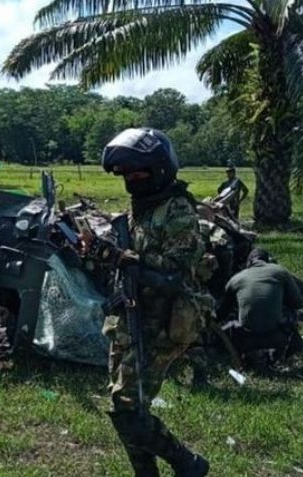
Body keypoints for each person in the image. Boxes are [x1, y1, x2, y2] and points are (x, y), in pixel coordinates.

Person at [100, 128, 212, 477]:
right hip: (129, 313)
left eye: (138, 173)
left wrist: (134, 261)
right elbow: (130, 256)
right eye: (127, 175)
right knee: (124, 402)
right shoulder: (140, 210)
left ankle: (187, 463)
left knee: (128, 404)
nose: (132, 180)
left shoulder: (176, 209)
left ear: (160, 169)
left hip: (163, 320)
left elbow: (178, 270)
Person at [216, 249, 303, 362]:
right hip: (277, 337)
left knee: (230, 321)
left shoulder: (236, 279)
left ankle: (238, 355)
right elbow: (297, 303)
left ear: (249, 263)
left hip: (246, 339)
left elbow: (222, 312)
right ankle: (289, 350)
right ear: (267, 261)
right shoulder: (279, 271)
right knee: (291, 312)